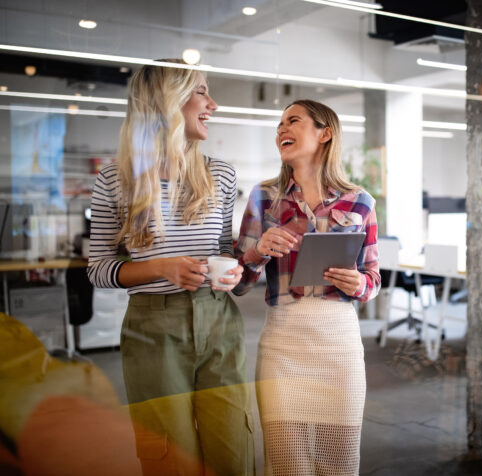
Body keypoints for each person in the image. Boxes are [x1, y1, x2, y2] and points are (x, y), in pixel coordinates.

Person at [87, 60, 255, 476]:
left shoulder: (221, 173)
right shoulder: (114, 179)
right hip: (152, 327)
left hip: (219, 320)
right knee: (168, 456)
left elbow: (222, 250)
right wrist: (161, 269)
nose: (212, 104)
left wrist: (234, 269)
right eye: (201, 92)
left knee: (233, 447)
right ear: (167, 102)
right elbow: (99, 269)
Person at [235, 99, 380, 475]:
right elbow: (238, 280)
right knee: (286, 461)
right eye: (279, 124)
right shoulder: (263, 197)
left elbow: (373, 279)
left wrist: (359, 283)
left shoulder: (360, 201)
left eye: (293, 121)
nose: (281, 129)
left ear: (325, 133)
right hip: (284, 343)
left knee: (339, 461)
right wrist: (257, 252)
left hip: (340, 345)